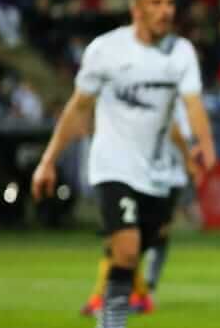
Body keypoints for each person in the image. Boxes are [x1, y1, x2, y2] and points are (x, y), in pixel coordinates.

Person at [32, 0, 216, 328]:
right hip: (113, 166)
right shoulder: (106, 51)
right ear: (136, 9)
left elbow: (191, 106)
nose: (166, 11)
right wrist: (48, 160)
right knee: (128, 250)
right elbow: (78, 108)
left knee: (136, 253)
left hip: (157, 172)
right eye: (156, 3)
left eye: (169, 3)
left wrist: (203, 148)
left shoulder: (180, 52)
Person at [79, 100, 199, 316]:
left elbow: (176, 132)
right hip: (148, 175)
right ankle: (132, 295)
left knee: (139, 239)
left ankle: (133, 294)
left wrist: (188, 158)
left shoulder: (167, 97)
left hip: (162, 177)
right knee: (128, 240)